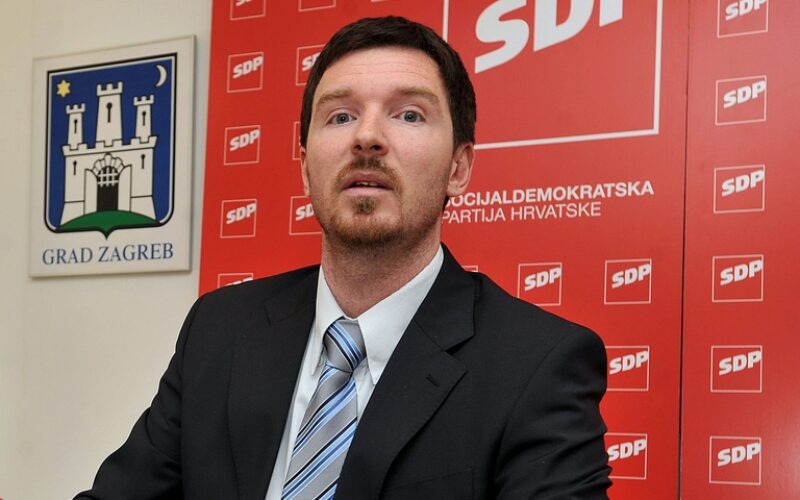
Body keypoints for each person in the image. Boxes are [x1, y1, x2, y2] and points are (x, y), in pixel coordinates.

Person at [76, 16, 611, 500]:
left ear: (458, 168)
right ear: (305, 166)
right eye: (340, 116)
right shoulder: (220, 330)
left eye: (409, 114)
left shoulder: (538, 365)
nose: (367, 137)